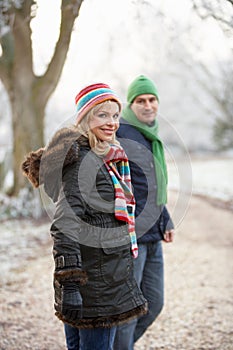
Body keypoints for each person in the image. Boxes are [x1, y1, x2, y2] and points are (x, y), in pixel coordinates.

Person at [22, 83, 148, 350]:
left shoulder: (106, 157)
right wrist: (70, 284)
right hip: (92, 285)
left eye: (115, 115)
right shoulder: (83, 162)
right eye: (102, 115)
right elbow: (65, 226)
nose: (112, 122)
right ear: (85, 117)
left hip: (103, 280)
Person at [113, 75, 175, 350]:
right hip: (131, 239)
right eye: (141, 100)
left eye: (152, 99)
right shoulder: (122, 133)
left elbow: (150, 185)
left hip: (153, 235)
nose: (148, 105)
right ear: (131, 104)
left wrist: (166, 217)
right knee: (128, 311)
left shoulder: (150, 134)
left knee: (154, 302)